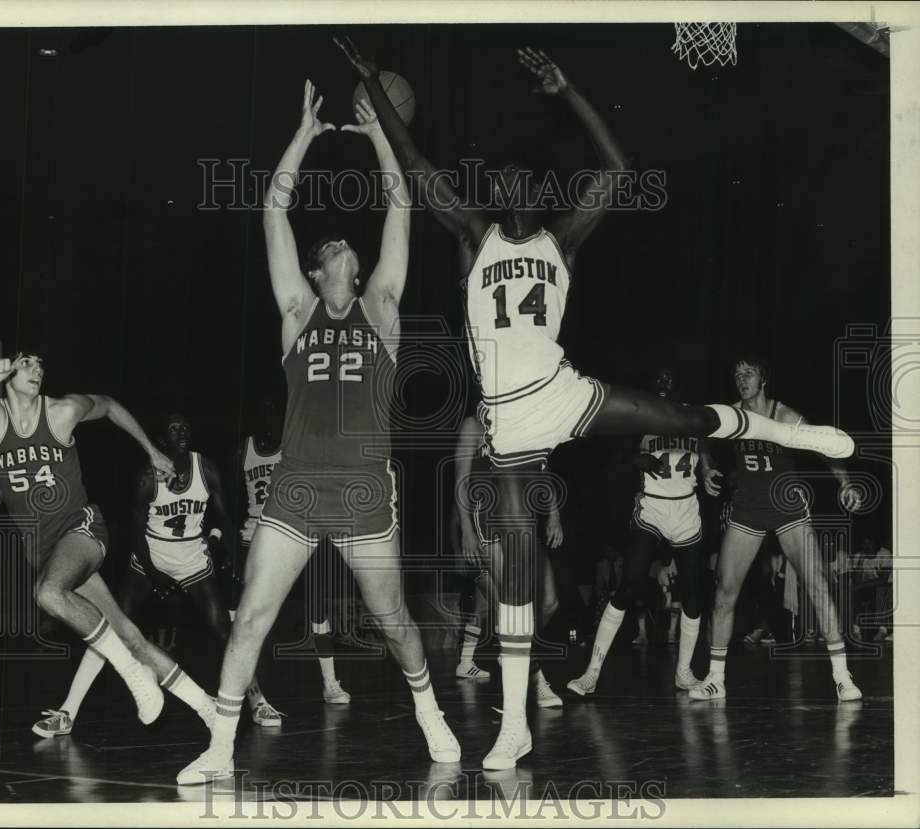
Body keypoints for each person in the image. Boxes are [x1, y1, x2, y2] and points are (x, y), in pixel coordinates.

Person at [337, 39, 854, 767]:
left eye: (524, 177)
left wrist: (568, 89)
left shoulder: (563, 241)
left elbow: (618, 170)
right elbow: (418, 168)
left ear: (537, 195)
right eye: (505, 174)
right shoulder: (471, 236)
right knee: (517, 570)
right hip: (508, 416)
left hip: (563, 391)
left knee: (678, 419)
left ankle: (785, 430)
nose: (512, 179)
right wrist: (371, 84)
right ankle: (513, 724)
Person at [177, 84, 459, 785]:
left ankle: (430, 711)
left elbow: (400, 203)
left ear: (352, 271)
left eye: (343, 247)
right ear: (314, 269)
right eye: (326, 245)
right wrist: (301, 132)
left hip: (364, 488)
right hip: (297, 487)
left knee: (392, 620)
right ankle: (219, 747)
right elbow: (274, 206)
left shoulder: (382, 309)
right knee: (250, 618)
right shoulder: (298, 313)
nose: (336, 242)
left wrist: (378, 137)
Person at [0, 350, 180, 727]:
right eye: (26, 362)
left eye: (41, 365)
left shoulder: (61, 410)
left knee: (47, 594)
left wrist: (153, 451)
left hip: (81, 528)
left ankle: (134, 676)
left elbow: (108, 406)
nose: (37, 369)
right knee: (123, 630)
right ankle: (209, 710)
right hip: (44, 548)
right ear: (7, 371)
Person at [30, 413, 281, 738]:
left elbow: (226, 518)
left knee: (224, 629)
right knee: (108, 627)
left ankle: (258, 700)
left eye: (186, 426)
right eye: (174, 428)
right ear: (161, 439)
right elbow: (135, 532)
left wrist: (234, 564)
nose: (182, 432)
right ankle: (68, 711)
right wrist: (153, 573)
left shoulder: (206, 469)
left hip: (192, 557)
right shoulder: (148, 477)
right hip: (150, 557)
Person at [690, 357, 863, 701]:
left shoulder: (783, 415)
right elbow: (703, 435)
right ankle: (715, 678)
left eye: (748, 372)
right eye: (737, 373)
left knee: (816, 584)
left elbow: (823, 448)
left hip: (787, 508)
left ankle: (842, 676)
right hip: (748, 510)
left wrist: (845, 483)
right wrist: (706, 469)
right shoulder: (732, 414)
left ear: (763, 379)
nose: (742, 378)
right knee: (724, 591)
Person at [567, 368, 707, 695]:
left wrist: (712, 470)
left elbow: (708, 453)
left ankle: (684, 672)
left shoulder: (694, 417)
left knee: (693, 595)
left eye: (669, 379)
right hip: (653, 507)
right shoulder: (642, 418)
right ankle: (592, 672)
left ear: (678, 386)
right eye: (658, 378)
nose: (663, 382)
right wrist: (641, 461)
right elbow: (620, 457)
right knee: (629, 583)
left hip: (687, 508)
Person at [239, 401, 349, 704]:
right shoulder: (244, 449)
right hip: (256, 536)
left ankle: (330, 683)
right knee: (254, 614)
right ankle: (251, 691)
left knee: (318, 603)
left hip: (294, 532)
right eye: (262, 416)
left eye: (274, 416)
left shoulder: (295, 447)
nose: (269, 422)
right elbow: (236, 496)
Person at [453, 414, 565, 707]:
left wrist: (553, 514)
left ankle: (514, 652)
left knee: (549, 602)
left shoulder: (522, 418)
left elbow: (543, 470)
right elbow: (461, 480)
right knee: (514, 603)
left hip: (523, 517)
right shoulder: (474, 425)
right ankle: (537, 680)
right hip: (487, 516)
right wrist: (465, 530)